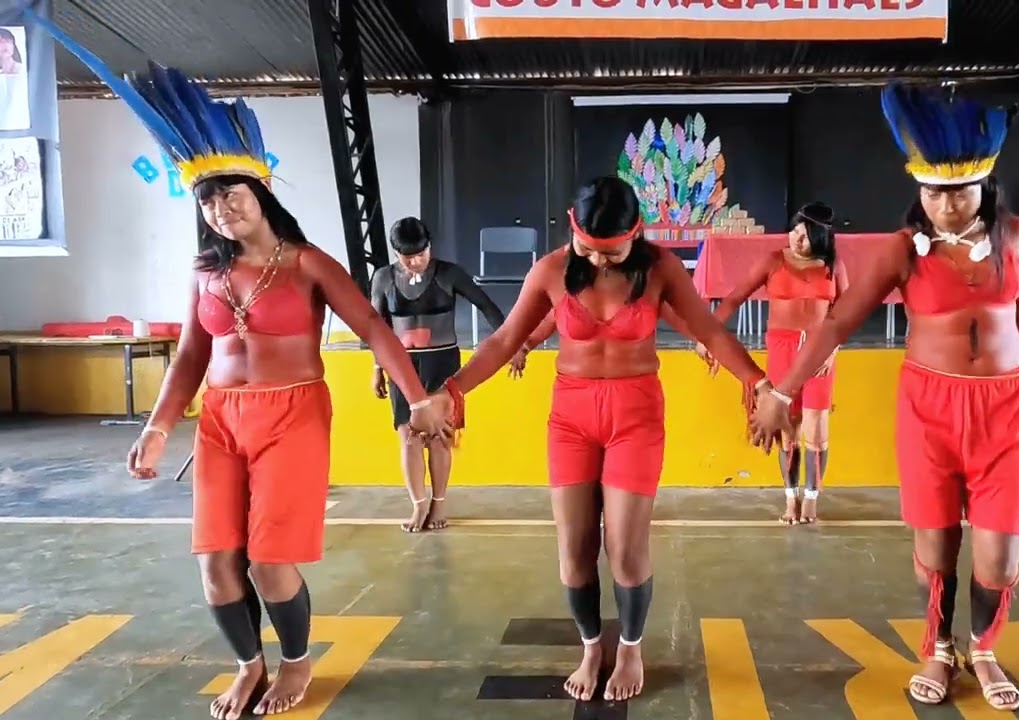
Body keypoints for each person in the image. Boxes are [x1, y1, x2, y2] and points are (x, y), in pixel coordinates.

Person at [37, 25, 441, 719]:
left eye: (231, 194)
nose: (221, 209)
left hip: (294, 413)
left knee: (267, 560)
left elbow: (374, 328)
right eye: (207, 200)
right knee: (216, 562)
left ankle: (294, 662)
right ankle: (248, 666)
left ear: (258, 188)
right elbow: (193, 355)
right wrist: (160, 427)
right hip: (223, 419)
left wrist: (418, 398)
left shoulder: (309, 263)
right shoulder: (205, 274)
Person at [414, 176, 773, 703]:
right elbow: (505, 338)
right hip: (572, 419)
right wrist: (452, 388)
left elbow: (711, 332)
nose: (601, 262)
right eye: (590, 249)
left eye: (614, 251)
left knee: (625, 552)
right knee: (575, 552)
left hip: (636, 416)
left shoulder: (660, 269)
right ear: (572, 226)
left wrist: (759, 383)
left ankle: (628, 646)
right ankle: (590, 645)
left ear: (638, 231)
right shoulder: (552, 271)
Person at [750, 83, 1019, 712]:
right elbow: (835, 323)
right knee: (936, 547)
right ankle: (937, 646)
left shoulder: (1016, 237)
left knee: (1000, 556)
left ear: (984, 183)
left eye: (959, 191)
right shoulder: (902, 250)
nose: (945, 204)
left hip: (1006, 411)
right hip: (930, 411)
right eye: (932, 191)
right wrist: (783, 391)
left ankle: (983, 648)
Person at [695, 202, 847, 524]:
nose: (796, 239)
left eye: (804, 236)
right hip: (782, 349)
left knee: (817, 432)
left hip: (819, 352)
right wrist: (708, 334)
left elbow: (845, 313)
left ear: (820, 237)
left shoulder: (834, 266)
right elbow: (735, 297)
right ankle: (790, 498)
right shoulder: (773, 260)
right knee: (786, 428)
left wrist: (833, 349)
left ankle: (811, 500)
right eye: (794, 231)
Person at [370, 216, 508, 532]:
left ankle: (439, 503)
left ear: (429, 246)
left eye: (421, 253)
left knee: (439, 437)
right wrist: (377, 369)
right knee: (409, 436)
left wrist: (511, 342)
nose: (416, 261)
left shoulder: (448, 273)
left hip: (442, 362)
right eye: (408, 257)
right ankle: (417, 504)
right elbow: (377, 329)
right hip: (402, 365)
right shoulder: (383, 279)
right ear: (396, 254)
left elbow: (487, 306)